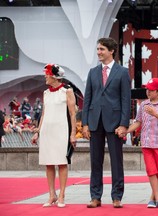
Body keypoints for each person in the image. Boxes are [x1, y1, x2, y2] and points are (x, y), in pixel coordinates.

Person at [82, 37, 131, 208]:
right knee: (95, 161)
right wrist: (85, 123)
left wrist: (124, 124)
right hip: (95, 122)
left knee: (116, 161)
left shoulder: (123, 72)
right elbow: (87, 99)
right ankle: (95, 197)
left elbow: (126, 100)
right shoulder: (93, 72)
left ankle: (117, 196)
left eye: (101, 49)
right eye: (97, 49)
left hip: (115, 122)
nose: (98, 52)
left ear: (111, 51)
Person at [31, 63, 77, 208]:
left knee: (62, 163)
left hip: (62, 130)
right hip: (47, 132)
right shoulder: (46, 93)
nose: (45, 76)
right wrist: (38, 132)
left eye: (47, 73)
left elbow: (72, 113)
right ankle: (52, 195)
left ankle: (62, 194)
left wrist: (73, 134)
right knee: (49, 163)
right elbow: (44, 114)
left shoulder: (67, 91)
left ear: (54, 76)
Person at [126, 78, 158, 208]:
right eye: (147, 89)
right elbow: (138, 122)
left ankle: (152, 199)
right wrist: (126, 131)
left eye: (151, 90)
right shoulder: (143, 104)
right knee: (151, 171)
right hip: (146, 143)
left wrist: (156, 114)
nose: (148, 92)